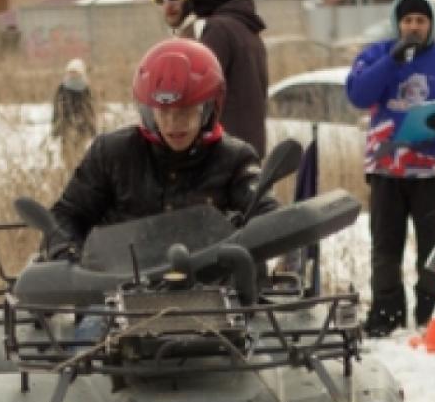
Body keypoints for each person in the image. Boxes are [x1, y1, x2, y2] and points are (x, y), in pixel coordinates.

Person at [345, 0, 435, 336]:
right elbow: (357, 95)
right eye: (407, 20)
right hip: (386, 169)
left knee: (434, 247)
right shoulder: (376, 54)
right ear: (397, 23)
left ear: (431, 24)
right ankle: (386, 314)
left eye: (420, 21)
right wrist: (392, 60)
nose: (413, 27)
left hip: (433, 170)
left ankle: (431, 313)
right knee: (385, 244)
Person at [48, 39, 274, 252]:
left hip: (210, 286)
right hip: (122, 286)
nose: (174, 124)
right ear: (148, 111)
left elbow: (264, 211)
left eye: (186, 111)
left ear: (208, 109)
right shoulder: (112, 154)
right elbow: (66, 215)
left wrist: (269, 230)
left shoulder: (235, 159)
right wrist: (66, 253)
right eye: (163, 112)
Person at [187, 0, 269, 159]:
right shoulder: (248, 30)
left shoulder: (219, 29)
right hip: (249, 148)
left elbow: (197, 88)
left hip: (223, 152)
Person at [51, 58, 97, 167]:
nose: (73, 75)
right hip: (66, 126)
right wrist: (56, 126)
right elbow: (57, 109)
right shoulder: (62, 88)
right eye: (70, 72)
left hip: (82, 127)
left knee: (80, 153)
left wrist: (91, 126)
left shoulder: (86, 89)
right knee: (67, 153)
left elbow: (90, 109)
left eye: (75, 72)